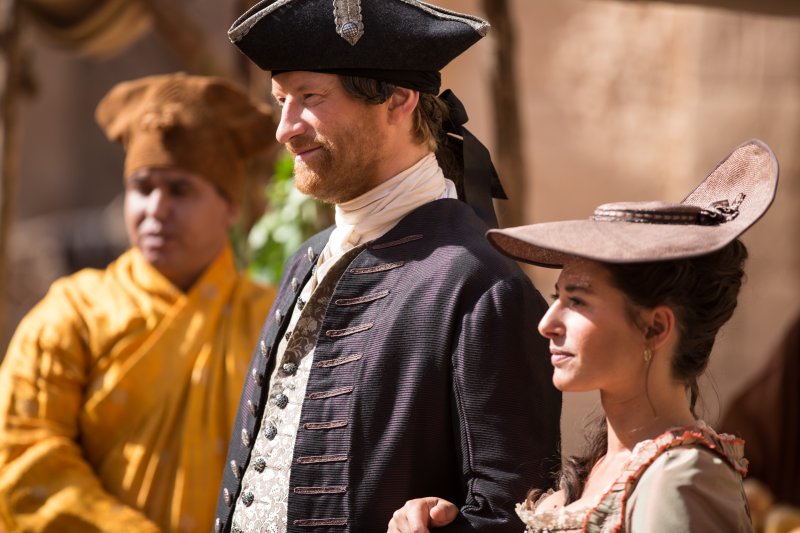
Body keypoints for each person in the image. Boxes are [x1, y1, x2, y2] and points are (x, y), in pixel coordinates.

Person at [214, 1, 562, 532]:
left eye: (310, 97)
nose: (285, 128)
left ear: (398, 99)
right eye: (281, 100)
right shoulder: (307, 259)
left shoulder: (480, 283)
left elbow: (516, 511)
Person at [389, 138, 779, 532]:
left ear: (655, 327)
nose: (546, 323)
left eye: (576, 301)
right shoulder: (606, 471)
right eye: (557, 297)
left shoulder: (680, 479)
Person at [0, 72, 277, 532]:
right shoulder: (72, 313)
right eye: (143, 188)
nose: (156, 209)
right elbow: (23, 457)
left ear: (230, 207)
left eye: (180, 190)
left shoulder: (274, 322)